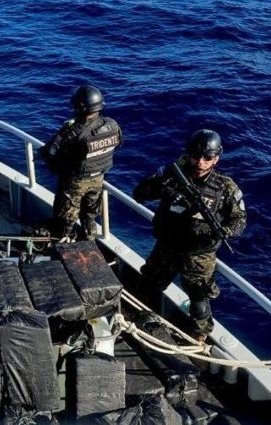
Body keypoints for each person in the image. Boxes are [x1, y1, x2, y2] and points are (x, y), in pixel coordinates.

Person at [132, 129, 246, 342]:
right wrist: (163, 187)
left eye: (207, 158)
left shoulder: (225, 187)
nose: (200, 162)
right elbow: (139, 194)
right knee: (147, 286)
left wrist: (226, 231)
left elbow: (239, 219)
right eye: (195, 155)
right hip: (167, 246)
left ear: (216, 159)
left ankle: (198, 339)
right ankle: (139, 322)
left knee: (199, 299)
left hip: (199, 254)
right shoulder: (171, 173)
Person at [39, 85, 122, 241]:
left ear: (80, 107)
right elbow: (118, 143)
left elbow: (50, 152)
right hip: (98, 179)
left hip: (75, 181)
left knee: (66, 219)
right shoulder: (112, 125)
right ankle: (89, 242)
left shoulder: (74, 130)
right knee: (90, 217)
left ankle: (63, 244)